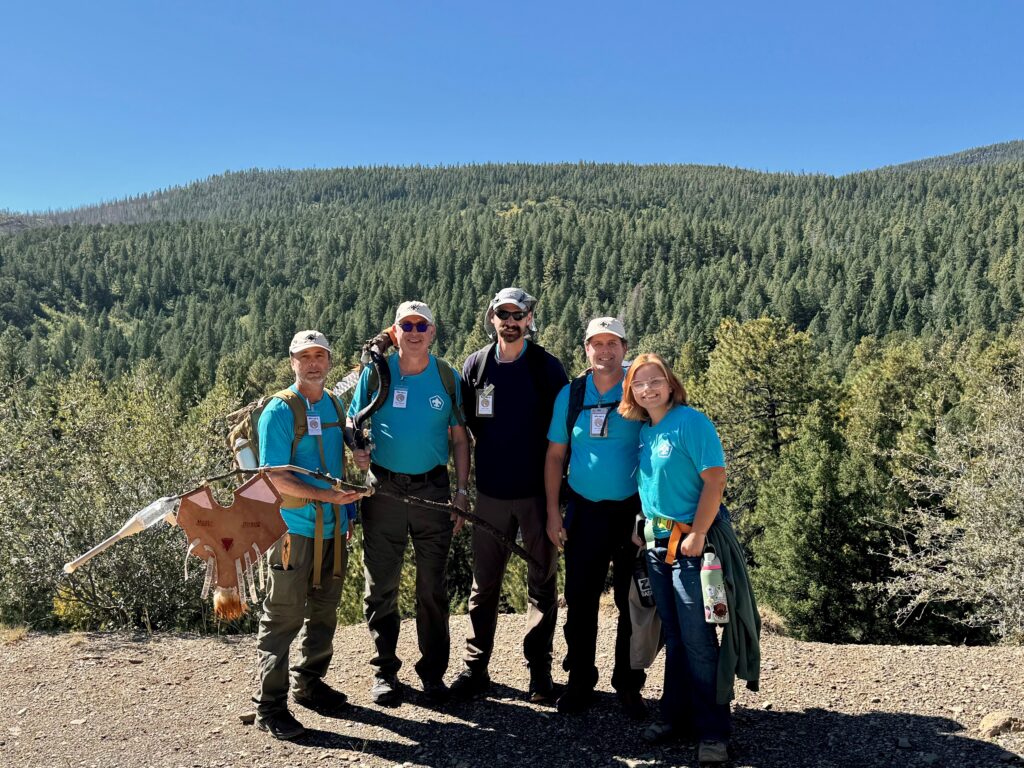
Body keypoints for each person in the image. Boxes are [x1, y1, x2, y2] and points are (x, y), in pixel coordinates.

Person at [349, 300, 470, 707]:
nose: (415, 331)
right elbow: (353, 423)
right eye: (407, 325)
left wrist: (462, 491)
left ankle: (432, 673)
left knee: (431, 587)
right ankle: (385, 672)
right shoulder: (376, 373)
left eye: (423, 325)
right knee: (380, 584)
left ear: (432, 332)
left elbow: (459, 439)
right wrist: (357, 452)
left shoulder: (447, 377)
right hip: (382, 488)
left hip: (432, 491)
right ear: (395, 331)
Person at [450, 287, 569, 702]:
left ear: (530, 318)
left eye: (518, 314)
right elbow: (464, 429)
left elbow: (563, 438)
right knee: (484, 586)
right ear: (492, 317)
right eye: (503, 314)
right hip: (491, 494)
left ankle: (540, 672)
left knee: (542, 582)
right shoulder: (476, 366)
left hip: (538, 495)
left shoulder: (547, 369)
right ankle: (475, 668)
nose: (511, 321)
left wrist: (559, 503)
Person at [617, 353, 731, 764]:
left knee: (700, 640)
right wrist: (642, 524)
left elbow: (715, 479)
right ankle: (675, 716)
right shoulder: (648, 430)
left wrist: (699, 533)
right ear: (631, 391)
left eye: (655, 380)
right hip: (656, 542)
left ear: (670, 383)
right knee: (677, 637)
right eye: (639, 383)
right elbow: (655, 483)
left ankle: (714, 731)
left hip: (689, 546)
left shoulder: (691, 422)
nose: (648, 388)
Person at [254, 330, 366, 740]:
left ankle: (309, 684)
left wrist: (346, 505)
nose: (314, 363)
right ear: (292, 362)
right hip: (294, 530)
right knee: (283, 617)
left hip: (333, 529)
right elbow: (275, 476)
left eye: (320, 356)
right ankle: (270, 707)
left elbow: (336, 463)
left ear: (329, 362)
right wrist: (329, 498)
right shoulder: (279, 411)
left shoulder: (334, 406)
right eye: (306, 357)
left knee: (323, 612)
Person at [543, 317, 647, 718]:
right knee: (581, 601)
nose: (605, 351)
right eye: (596, 344)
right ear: (585, 348)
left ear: (624, 347)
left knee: (630, 601)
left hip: (631, 511)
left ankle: (628, 684)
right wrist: (555, 513)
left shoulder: (638, 390)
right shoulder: (571, 395)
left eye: (613, 343)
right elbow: (555, 456)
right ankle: (580, 680)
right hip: (584, 511)